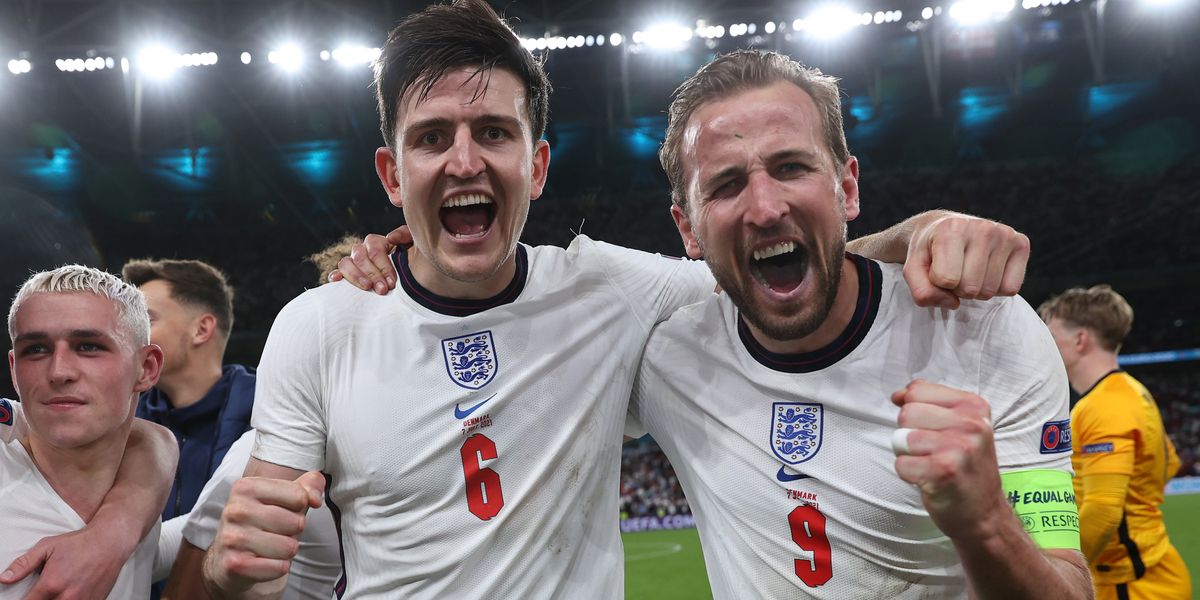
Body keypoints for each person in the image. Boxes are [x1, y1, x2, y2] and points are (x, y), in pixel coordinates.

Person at [202, 2, 1031, 597]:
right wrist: (234, 578)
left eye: (494, 132)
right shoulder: (319, 326)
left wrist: (924, 228)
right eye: (431, 139)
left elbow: (769, 256)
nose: (463, 162)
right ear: (391, 176)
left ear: (538, 167)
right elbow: (280, 562)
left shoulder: (610, 291)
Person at [625, 50, 1091, 598]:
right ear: (688, 229)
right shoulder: (663, 355)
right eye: (726, 185)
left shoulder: (982, 326)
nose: (765, 207)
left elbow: (1070, 588)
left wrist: (986, 521)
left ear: (847, 188)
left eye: (791, 167)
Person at [1, 265, 166, 598]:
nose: (59, 371)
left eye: (88, 346)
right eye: (36, 349)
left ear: (146, 368)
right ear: (15, 371)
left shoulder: (142, 516)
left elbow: (153, 437)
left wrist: (115, 531)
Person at [1040, 285, 1192, 600]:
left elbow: (1103, 510)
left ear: (1080, 340)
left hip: (1129, 584)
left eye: (1050, 336)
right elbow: (1170, 462)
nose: (1043, 345)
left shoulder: (1104, 406)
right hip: (1148, 571)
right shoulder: (1133, 392)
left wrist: (1055, 576)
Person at [122, 259, 256, 583]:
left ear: (201, 329)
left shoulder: (271, 414)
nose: (127, 333)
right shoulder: (118, 422)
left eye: (145, 319)